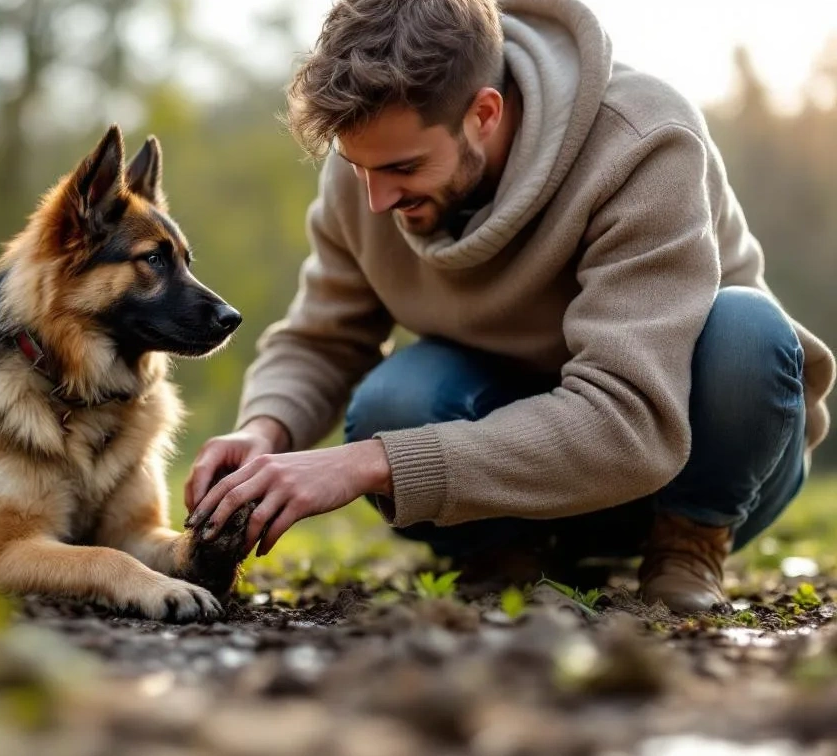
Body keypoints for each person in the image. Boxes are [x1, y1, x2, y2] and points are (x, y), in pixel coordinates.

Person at [183, 0, 835, 614]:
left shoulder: (643, 141)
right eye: (358, 170)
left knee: (746, 333)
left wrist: (368, 464)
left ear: (485, 114)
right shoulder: (376, 155)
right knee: (396, 402)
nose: (376, 200)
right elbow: (325, 338)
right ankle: (501, 558)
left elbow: (631, 421)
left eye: (403, 170)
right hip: (501, 487)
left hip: (688, 462)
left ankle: (687, 551)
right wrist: (263, 430)